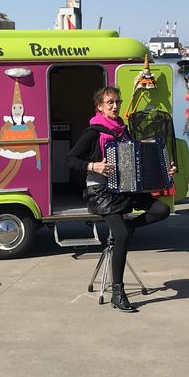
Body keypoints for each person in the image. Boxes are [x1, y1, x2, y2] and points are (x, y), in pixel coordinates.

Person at [65, 86, 177, 313]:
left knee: (161, 210)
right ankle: (118, 292)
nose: (115, 106)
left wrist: (165, 170)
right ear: (100, 106)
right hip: (102, 191)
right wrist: (92, 165)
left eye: (117, 102)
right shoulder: (93, 132)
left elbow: (139, 161)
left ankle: (125, 228)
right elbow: (69, 159)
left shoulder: (123, 132)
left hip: (126, 188)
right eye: (110, 102)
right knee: (122, 235)